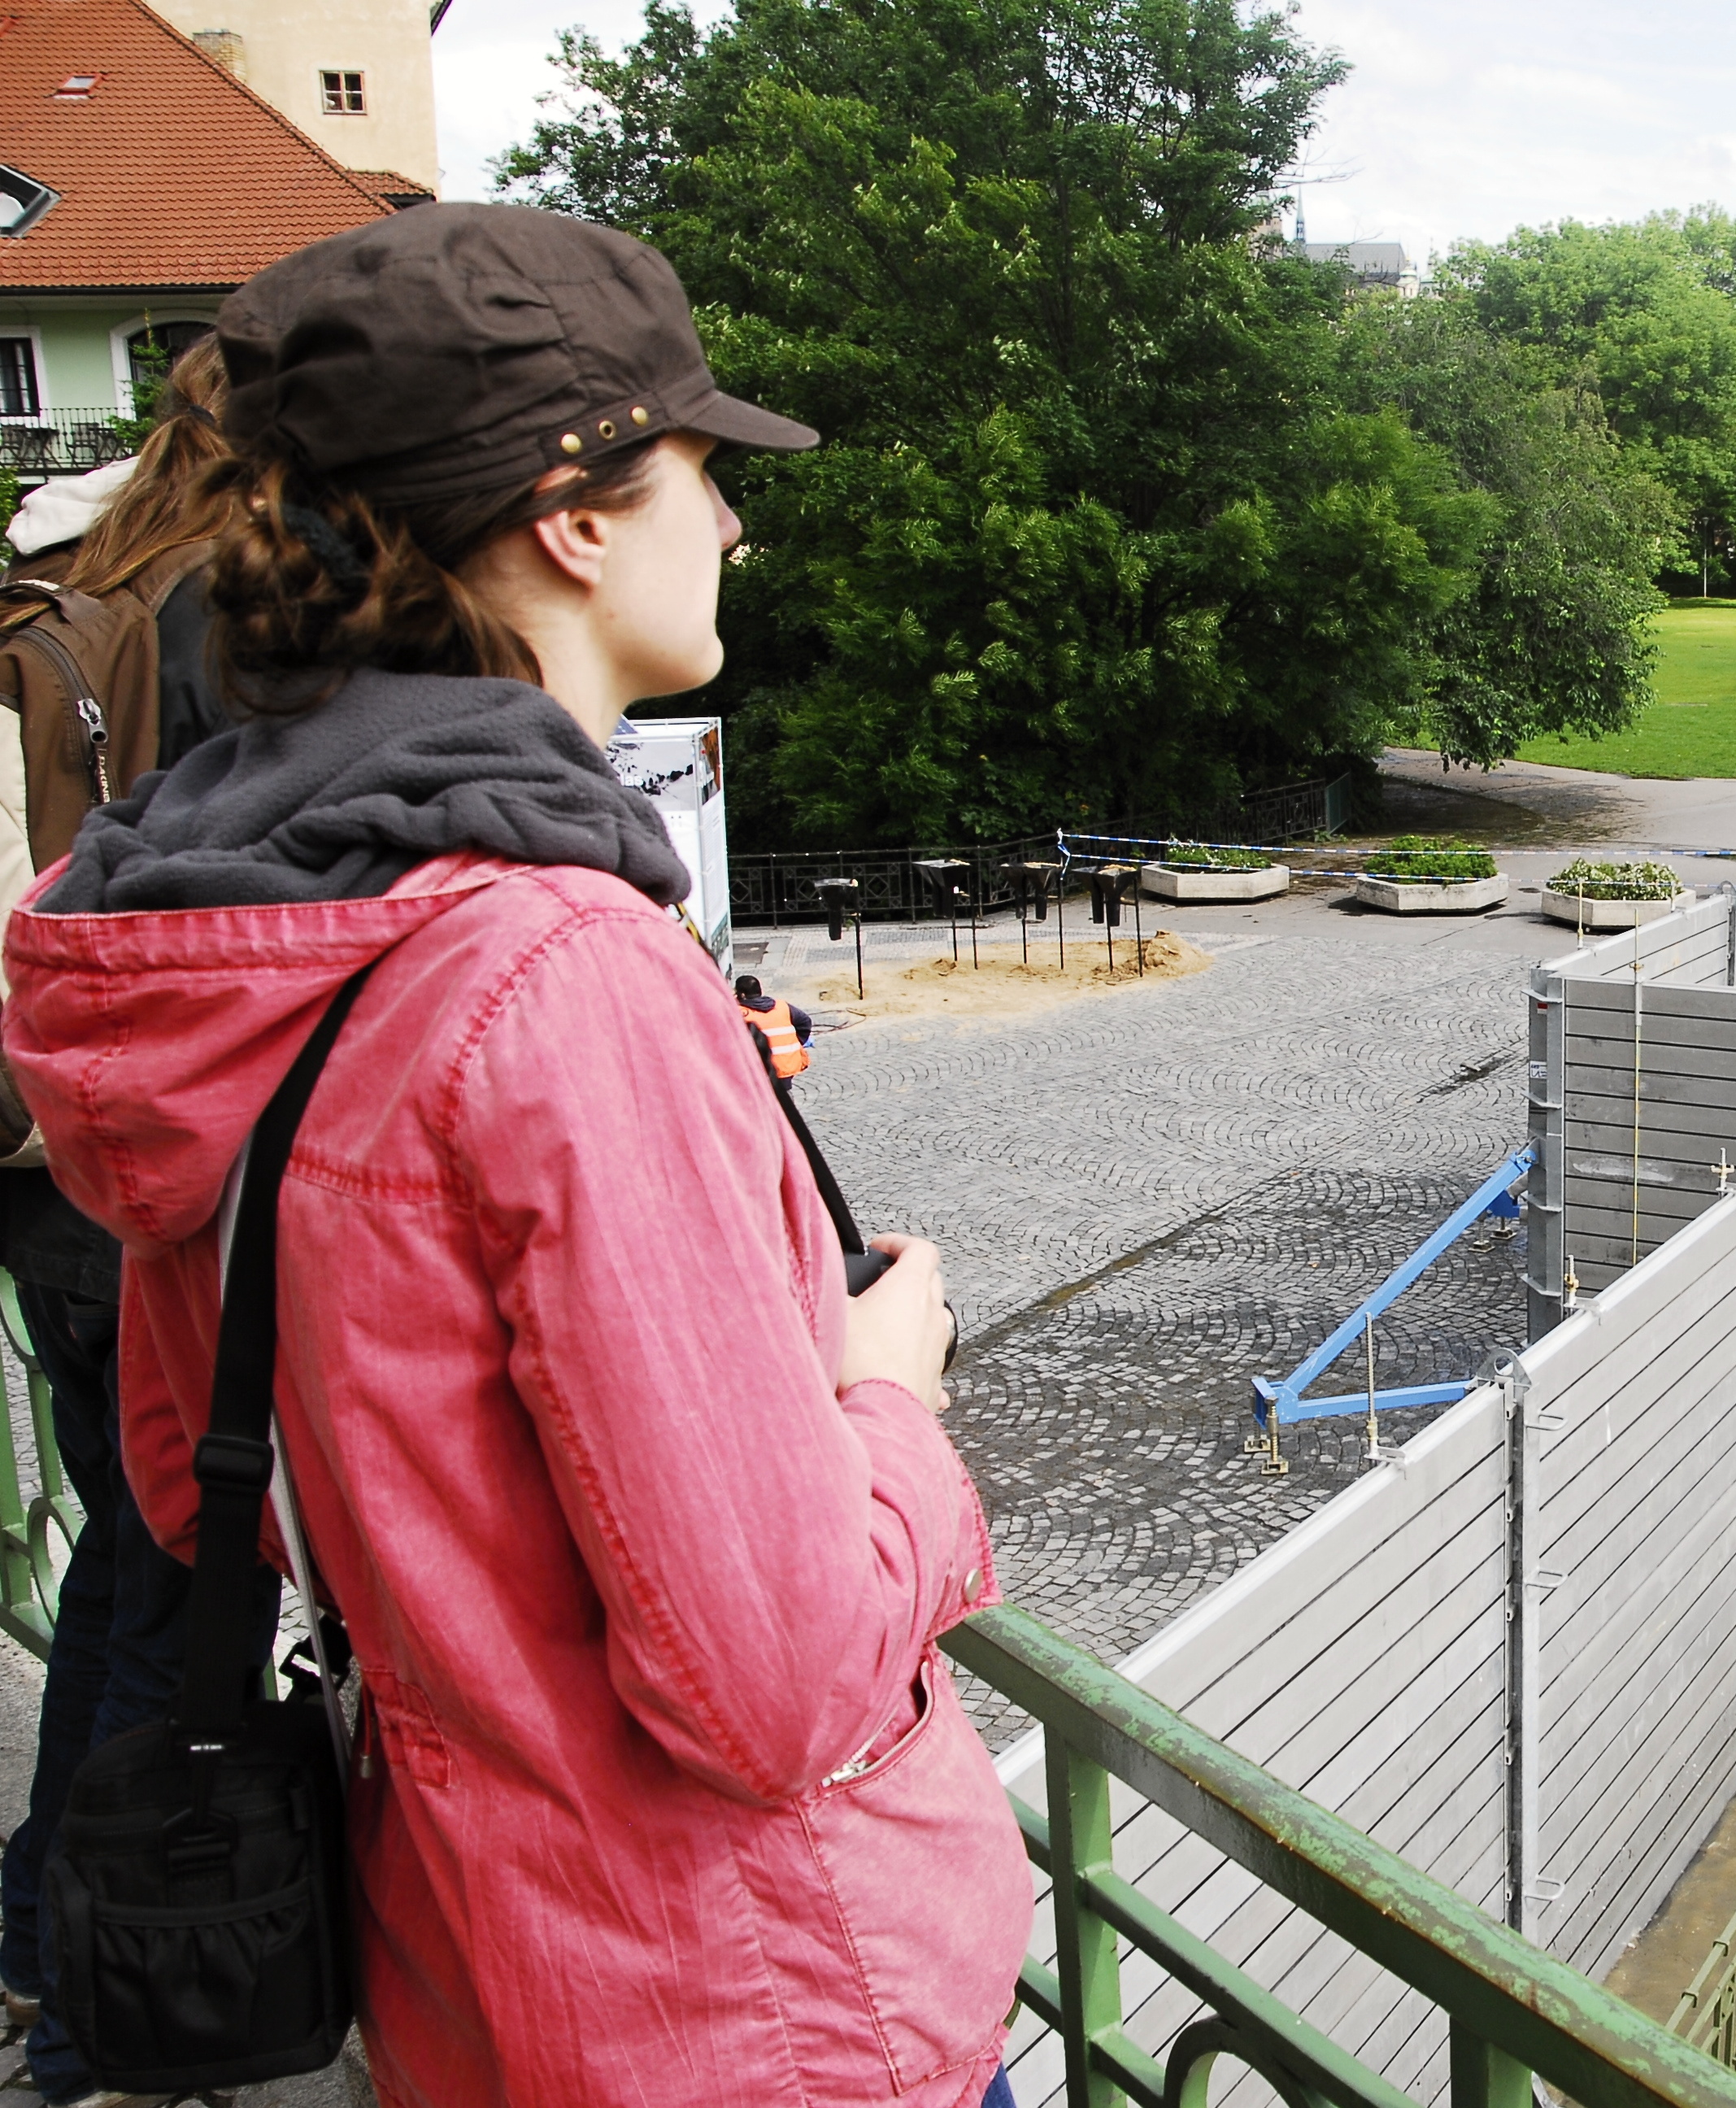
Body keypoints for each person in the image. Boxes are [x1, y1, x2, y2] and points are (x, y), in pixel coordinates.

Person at [2, 206, 1028, 2108]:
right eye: (704, 473)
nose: (730, 525)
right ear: (574, 512)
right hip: (749, 2016)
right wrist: (890, 1406)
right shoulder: (552, 965)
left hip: (466, 1968)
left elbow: (186, 1472)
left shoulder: (232, 918)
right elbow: (769, 1678)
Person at [0, 342, 250, 2108]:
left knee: (117, 1556)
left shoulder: (63, 581)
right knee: (174, 1587)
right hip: (146, 1168)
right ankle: (89, 2022)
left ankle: (29, 1941)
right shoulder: (219, 605)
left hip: (30, 1159)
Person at [733, 970, 811, 1081]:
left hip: (759, 1067)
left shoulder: (740, 1013)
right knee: (784, 1094)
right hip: (785, 1063)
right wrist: (798, 1042)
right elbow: (805, 1021)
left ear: (742, 995)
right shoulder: (782, 1006)